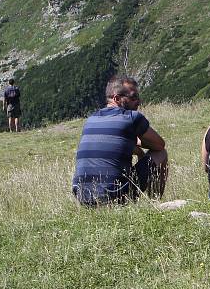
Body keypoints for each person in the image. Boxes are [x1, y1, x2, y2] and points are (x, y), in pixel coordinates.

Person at [72, 76, 168, 206]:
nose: (138, 102)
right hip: (115, 198)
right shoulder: (132, 118)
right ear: (116, 99)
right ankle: (155, 203)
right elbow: (159, 145)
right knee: (161, 153)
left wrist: (134, 147)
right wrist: (139, 149)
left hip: (83, 199)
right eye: (133, 97)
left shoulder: (90, 120)